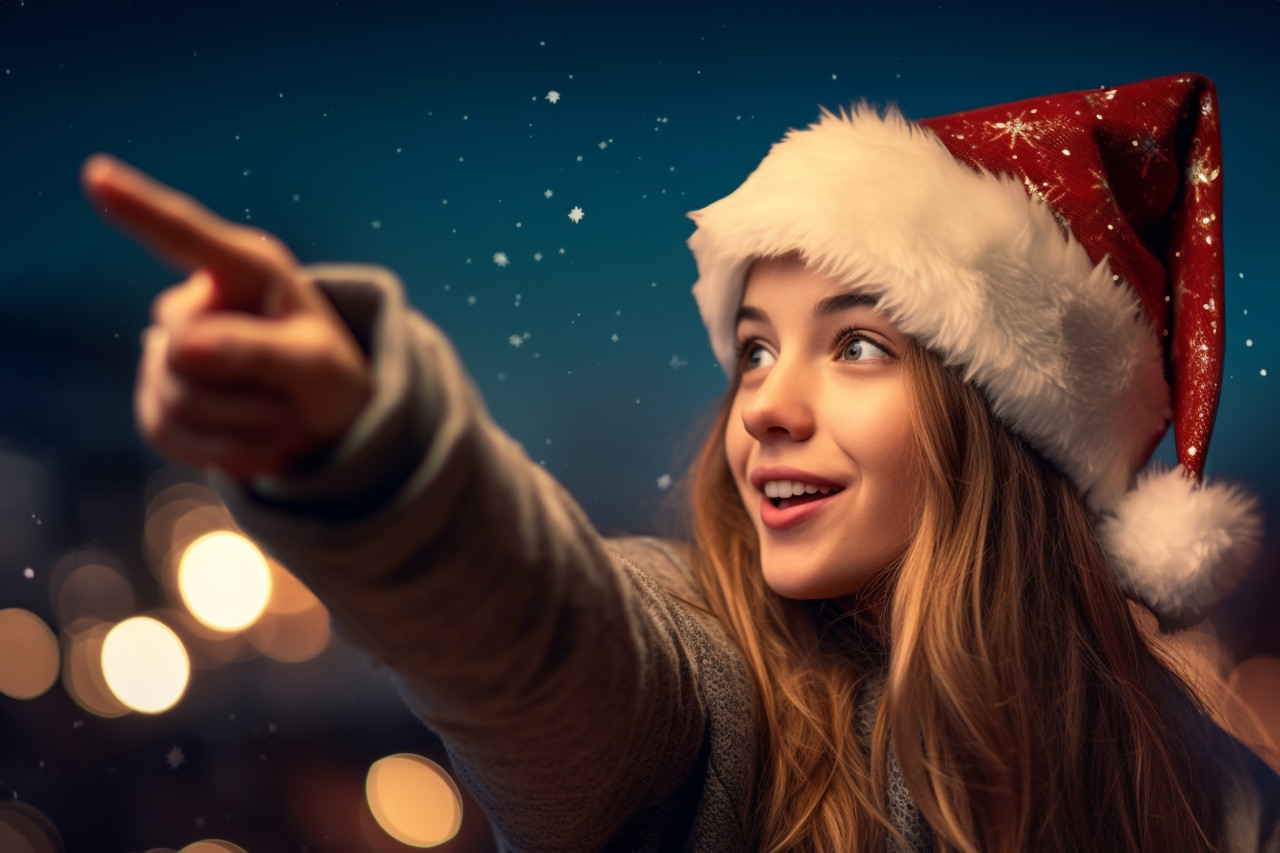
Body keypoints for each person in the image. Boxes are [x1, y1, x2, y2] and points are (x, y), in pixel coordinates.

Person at [81, 73, 1280, 852]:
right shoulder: (709, 692)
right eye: (753, 350)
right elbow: (538, 643)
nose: (763, 405)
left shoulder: (1204, 787)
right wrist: (373, 451)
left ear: (1005, 427)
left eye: (854, 344)